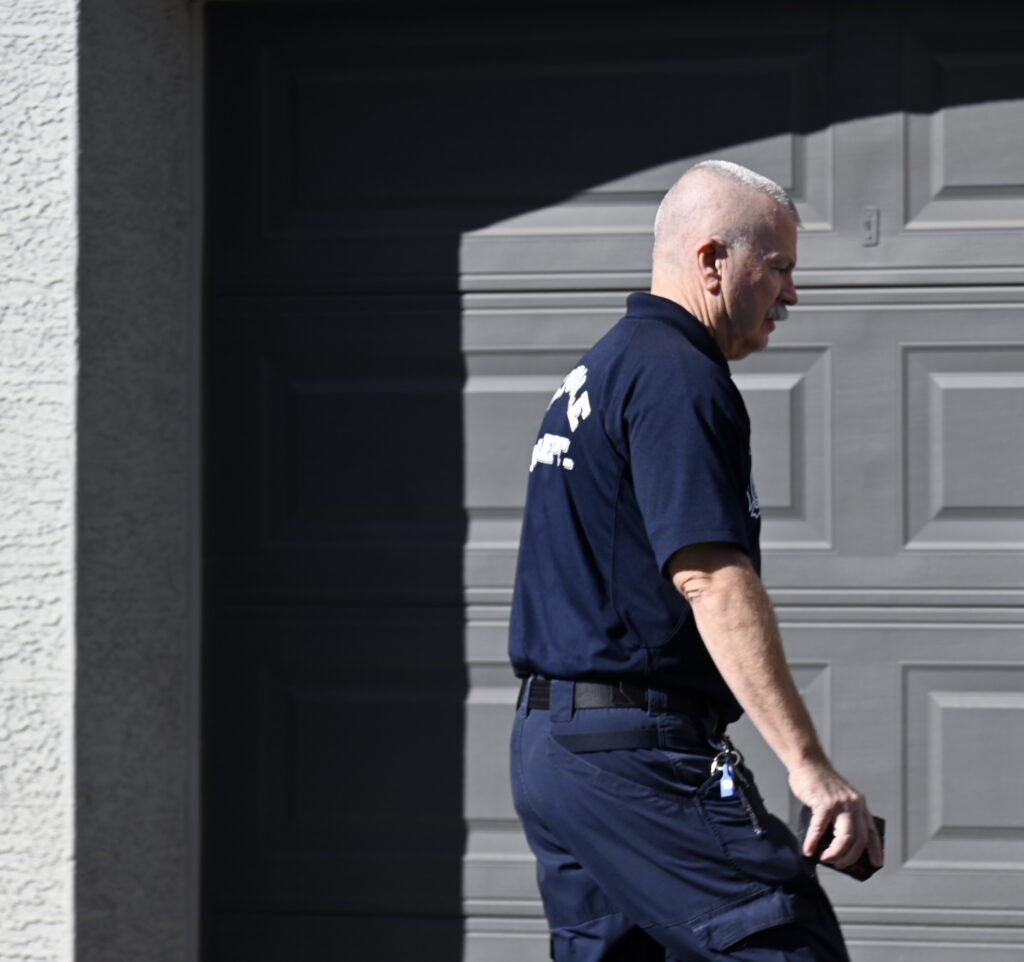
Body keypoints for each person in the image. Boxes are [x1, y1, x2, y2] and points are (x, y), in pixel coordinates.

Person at [508, 159, 882, 961]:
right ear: (712, 260)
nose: (790, 294)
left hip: (557, 748)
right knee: (781, 940)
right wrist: (808, 766)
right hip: (631, 752)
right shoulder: (677, 376)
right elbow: (709, 578)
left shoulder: (602, 370)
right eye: (777, 268)